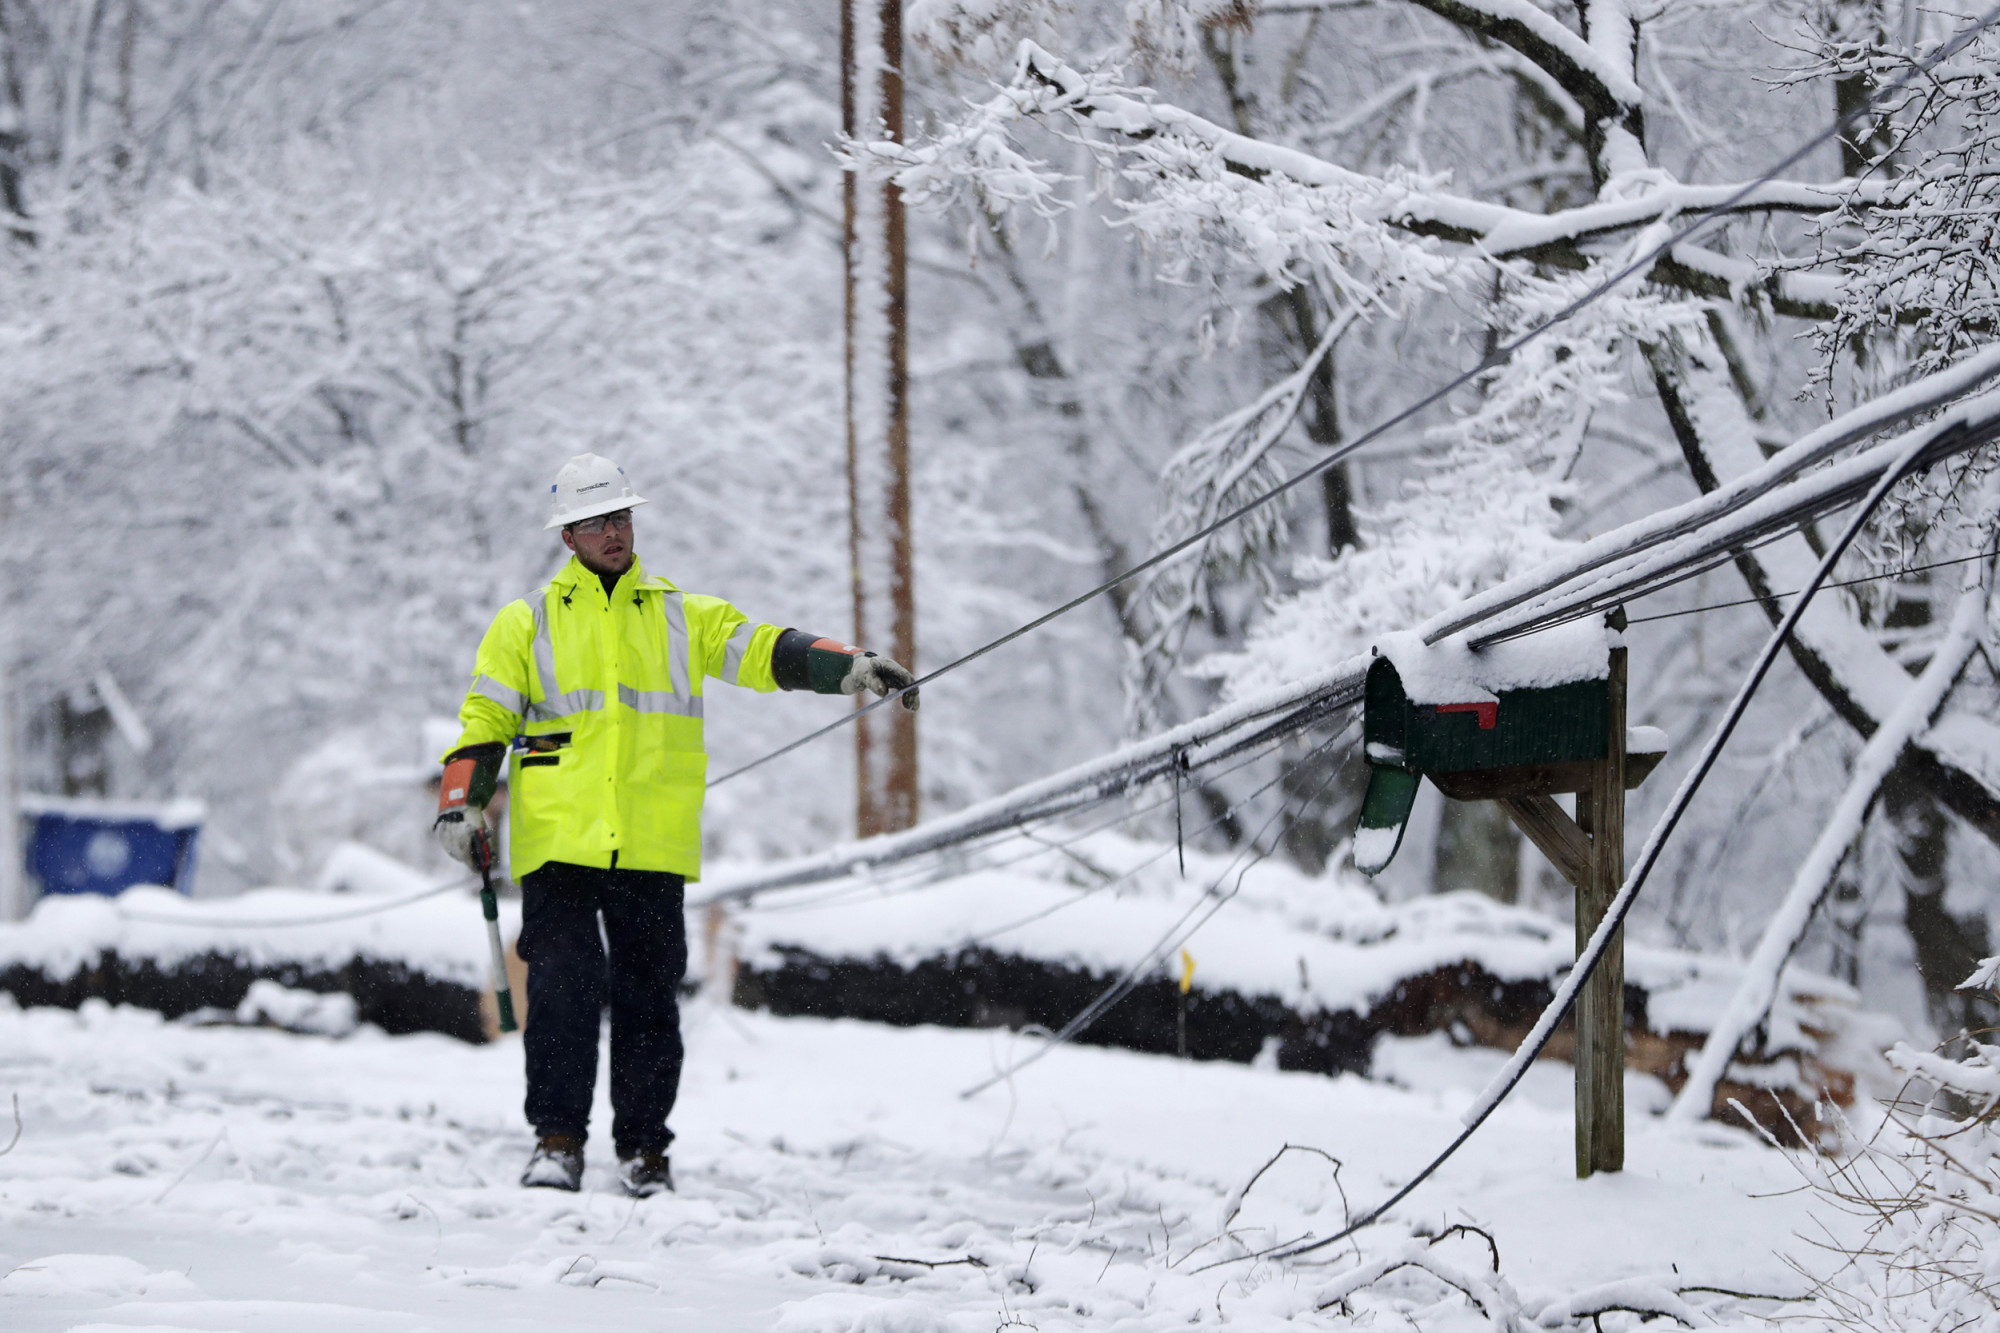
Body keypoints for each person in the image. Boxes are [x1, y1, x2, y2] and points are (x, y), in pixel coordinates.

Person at [432, 453, 917, 1197]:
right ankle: (557, 1141)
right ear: (568, 536)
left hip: (653, 838)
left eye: (622, 515)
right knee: (563, 992)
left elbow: (762, 649)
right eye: (597, 520)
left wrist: (846, 666)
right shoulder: (524, 623)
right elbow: (487, 716)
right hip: (559, 836)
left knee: (650, 999)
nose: (615, 530)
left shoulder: (679, 614)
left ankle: (644, 1151)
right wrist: (461, 802)